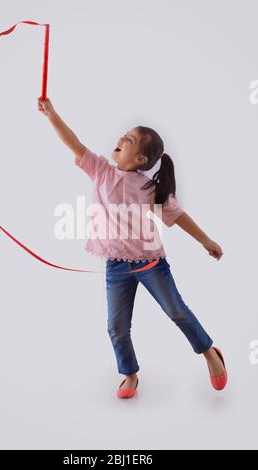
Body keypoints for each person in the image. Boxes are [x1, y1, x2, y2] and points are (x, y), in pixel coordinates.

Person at [38, 97, 228, 399]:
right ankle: (129, 374)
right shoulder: (101, 171)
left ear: (140, 159)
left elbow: (177, 216)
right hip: (116, 265)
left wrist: (206, 241)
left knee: (176, 310)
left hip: (150, 263)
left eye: (128, 140)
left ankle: (210, 354)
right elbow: (72, 142)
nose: (120, 139)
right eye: (123, 136)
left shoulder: (150, 188)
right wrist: (52, 115)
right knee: (116, 326)